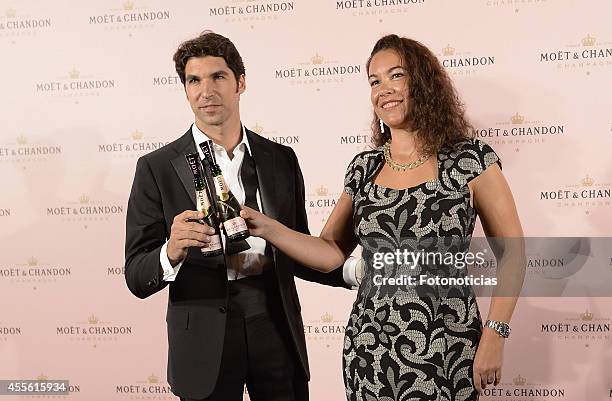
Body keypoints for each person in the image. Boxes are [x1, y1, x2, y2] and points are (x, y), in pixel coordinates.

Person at [241, 34, 525, 401]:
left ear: (423, 82)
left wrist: (495, 333)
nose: (384, 90)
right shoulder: (364, 168)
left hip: (449, 348)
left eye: (396, 76)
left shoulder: (469, 160)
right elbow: (330, 252)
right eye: (374, 81)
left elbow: (514, 254)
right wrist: (268, 227)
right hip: (370, 352)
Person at [124, 31, 354, 401]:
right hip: (201, 339)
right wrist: (171, 251)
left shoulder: (281, 159)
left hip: (276, 326)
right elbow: (136, 274)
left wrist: (356, 272)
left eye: (218, 77)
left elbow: (297, 251)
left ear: (240, 83)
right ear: (185, 90)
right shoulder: (155, 168)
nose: (205, 91)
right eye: (194, 81)